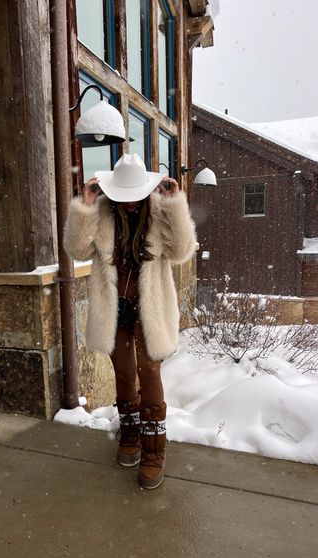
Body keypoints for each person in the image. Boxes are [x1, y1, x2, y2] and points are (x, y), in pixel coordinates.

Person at [63, 153, 196, 489]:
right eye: (125, 195)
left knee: (149, 370)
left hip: (149, 307)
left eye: (136, 194)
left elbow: (181, 251)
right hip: (115, 307)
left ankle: (154, 449)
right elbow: (76, 249)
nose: (131, 202)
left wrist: (175, 205)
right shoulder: (104, 211)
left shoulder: (158, 210)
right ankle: (131, 434)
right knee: (123, 372)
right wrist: (86, 206)